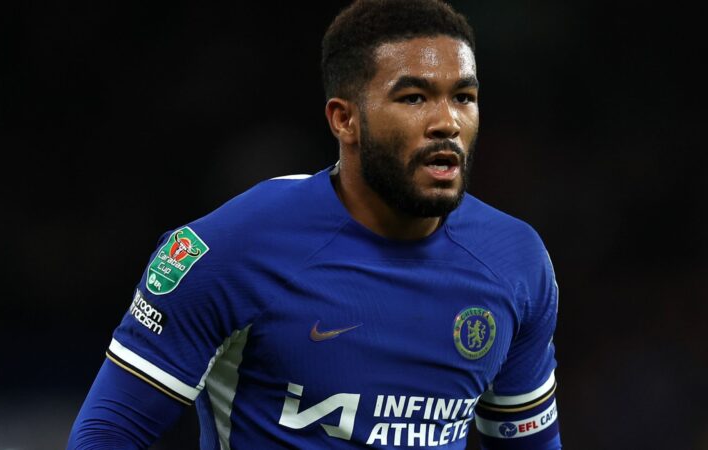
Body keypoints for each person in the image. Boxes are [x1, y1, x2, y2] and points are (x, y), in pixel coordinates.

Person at [67, 0, 562, 448]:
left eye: (464, 97)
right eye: (414, 97)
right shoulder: (232, 248)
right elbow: (108, 434)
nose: (447, 122)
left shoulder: (515, 262)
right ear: (344, 119)